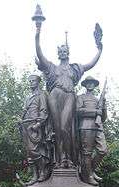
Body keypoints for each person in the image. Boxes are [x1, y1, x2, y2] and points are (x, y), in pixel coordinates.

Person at [34, 22, 103, 168]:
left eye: (65, 50)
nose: (63, 52)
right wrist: (38, 32)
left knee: (66, 128)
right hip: (55, 96)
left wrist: (99, 50)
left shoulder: (75, 68)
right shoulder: (52, 67)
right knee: (57, 129)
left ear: (68, 52)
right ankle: (59, 160)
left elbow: (91, 64)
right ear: (58, 53)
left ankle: (69, 158)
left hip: (69, 96)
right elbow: (39, 52)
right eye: (61, 51)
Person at [19, 74, 52, 185]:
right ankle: (34, 176)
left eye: (33, 81)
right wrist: (20, 119)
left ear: (38, 82)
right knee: (29, 152)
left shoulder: (42, 94)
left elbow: (44, 111)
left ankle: (43, 171)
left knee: (35, 150)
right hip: (25, 124)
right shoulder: (28, 97)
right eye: (29, 81)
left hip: (34, 125)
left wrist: (38, 124)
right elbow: (24, 110)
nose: (31, 83)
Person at [77, 76, 107, 186]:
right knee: (87, 153)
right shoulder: (81, 98)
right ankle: (88, 176)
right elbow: (79, 111)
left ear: (94, 85)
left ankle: (89, 170)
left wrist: (103, 106)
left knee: (103, 150)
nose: (90, 85)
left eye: (92, 83)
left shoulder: (97, 99)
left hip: (98, 127)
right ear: (85, 85)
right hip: (86, 126)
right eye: (88, 83)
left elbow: (103, 118)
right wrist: (95, 112)